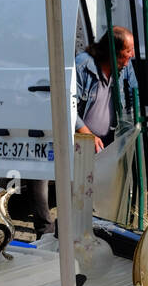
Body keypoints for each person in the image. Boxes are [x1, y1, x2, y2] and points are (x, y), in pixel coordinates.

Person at [27, 26, 137, 237]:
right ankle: (47, 229)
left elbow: (132, 96)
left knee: (84, 186)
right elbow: (67, 105)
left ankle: (77, 227)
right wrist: (86, 132)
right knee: (45, 173)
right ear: (113, 51)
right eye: (128, 51)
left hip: (102, 138)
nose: (131, 55)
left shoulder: (125, 67)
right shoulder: (83, 65)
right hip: (75, 134)